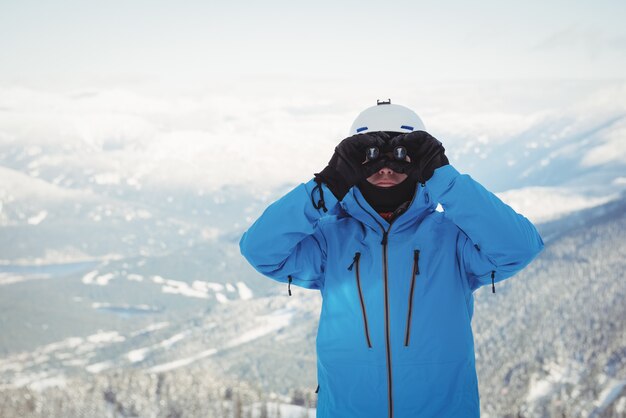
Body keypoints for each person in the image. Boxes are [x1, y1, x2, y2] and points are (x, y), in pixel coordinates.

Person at [239, 100, 544, 417]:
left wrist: (443, 177)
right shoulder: (331, 239)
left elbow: (520, 247)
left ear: (420, 162)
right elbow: (259, 249)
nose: (385, 168)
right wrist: (328, 185)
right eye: (369, 158)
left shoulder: (452, 238)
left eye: (401, 157)